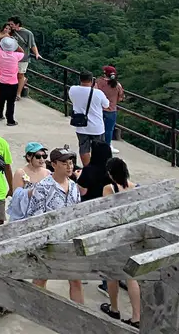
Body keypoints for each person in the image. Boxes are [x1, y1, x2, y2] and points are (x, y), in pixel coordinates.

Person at [29, 147, 83, 305]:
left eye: (71, 163)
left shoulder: (74, 186)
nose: (69, 166)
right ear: (53, 164)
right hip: (49, 243)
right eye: (64, 163)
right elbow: (35, 218)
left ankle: (80, 316)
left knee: (76, 280)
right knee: (41, 278)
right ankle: (35, 309)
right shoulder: (43, 187)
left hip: (70, 242)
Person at [101, 157, 142, 328]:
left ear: (110, 174)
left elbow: (106, 213)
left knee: (112, 275)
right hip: (133, 235)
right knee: (132, 278)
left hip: (116, 237)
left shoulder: (109, 189)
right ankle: (136, 316)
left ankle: (115, 308)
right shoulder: (136, 188)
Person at [70, 70, 111, 164]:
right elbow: (106, 105)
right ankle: (99, 167)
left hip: (81, 125)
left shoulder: (73, 89)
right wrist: (95, 89)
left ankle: (87, 168)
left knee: (84, 148)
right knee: (99, 149)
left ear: (80, 79)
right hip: (97, 126)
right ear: (92, 80)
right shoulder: (98, 93)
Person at [0, 36, 24, 126]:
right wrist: (15, 44)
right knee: (11, 102)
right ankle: (10, 120)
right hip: (13, 82)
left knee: (1, 99)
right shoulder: (16, 55)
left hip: (1, 81)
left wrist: (3, 36)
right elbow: (22, 52)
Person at [6, 17, 39, 99]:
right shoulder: (10, 32)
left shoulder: (28, 33)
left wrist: (37, 54)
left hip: (23, 58)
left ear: (17, 24)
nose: (10, 26)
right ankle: (10, 92)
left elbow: (32, 44)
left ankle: (18, 94)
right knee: (11, 75)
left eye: (12, 24)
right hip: (11, 57)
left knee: (20, 75)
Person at [95, 65, 125, 148]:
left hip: (98, 109)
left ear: (105, 73)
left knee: (97, 128)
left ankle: (96, 144)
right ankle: (107, 147)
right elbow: (120, 98)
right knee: (109, 130)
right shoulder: (117, 85)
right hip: (111, 110)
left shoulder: (98, 82)